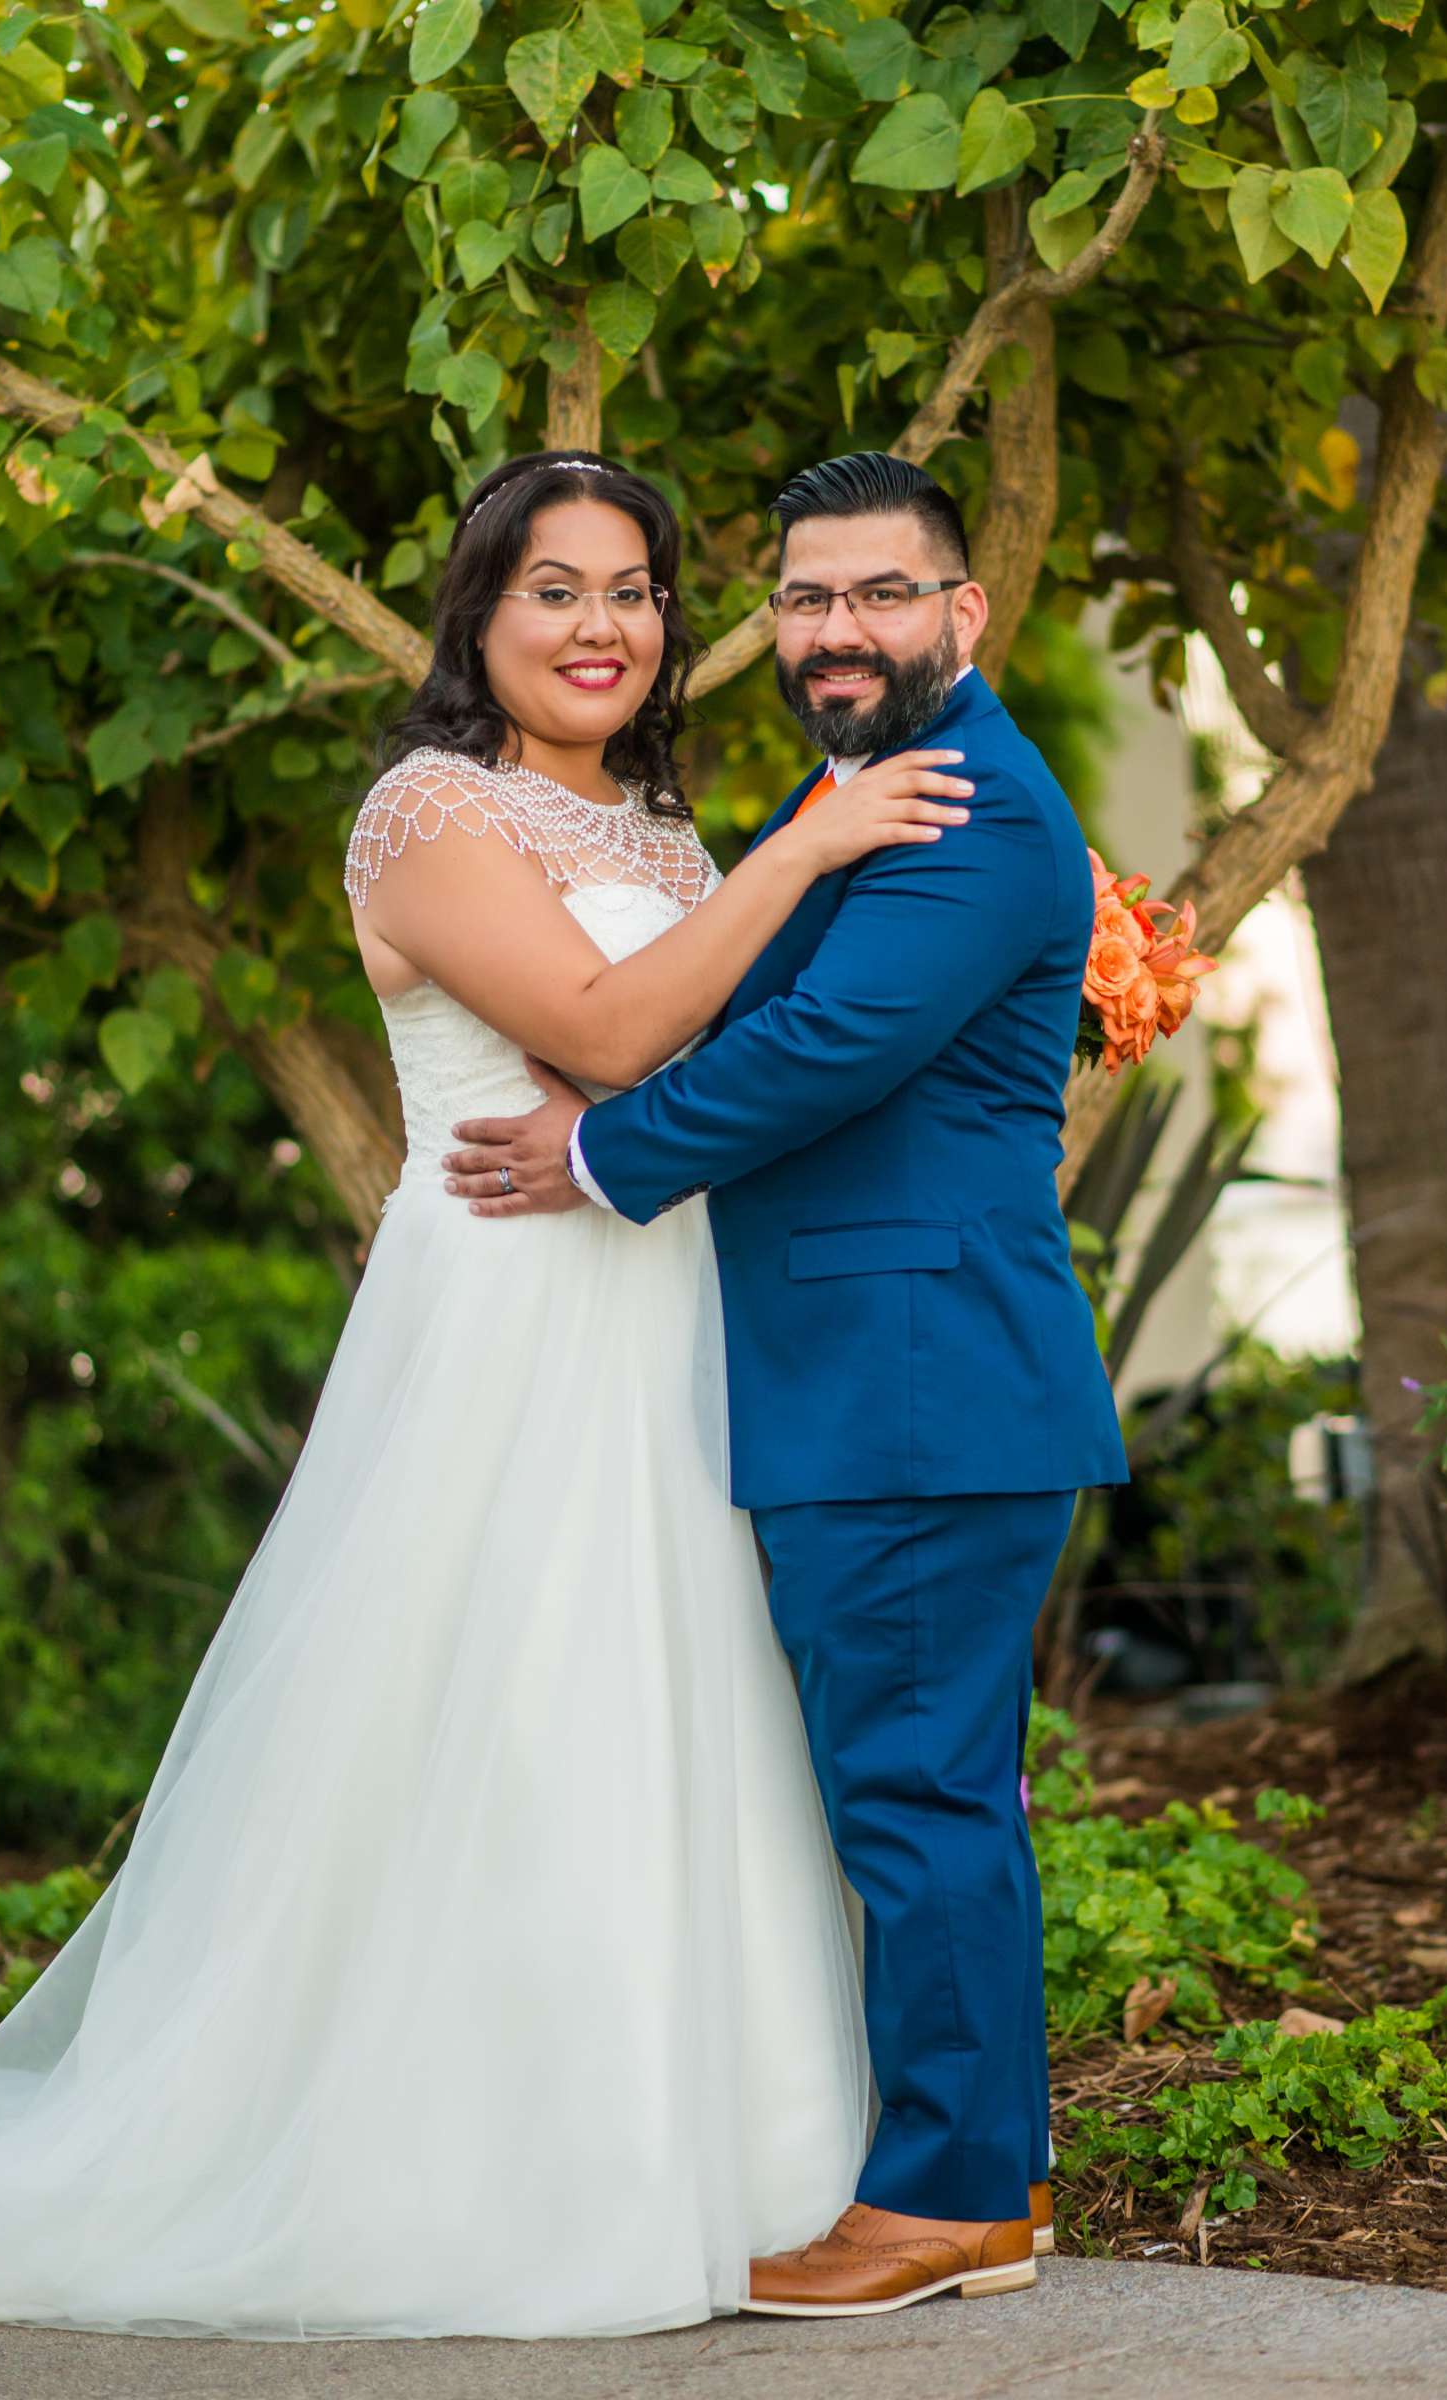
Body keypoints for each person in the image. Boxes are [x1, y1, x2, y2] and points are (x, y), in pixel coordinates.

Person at [0, 452, 977, 2342]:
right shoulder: (428, 813)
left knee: (692, 1710)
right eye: (555, 589)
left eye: (636, 589)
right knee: (516, 1710)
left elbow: (758, 1062)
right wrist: (815, 843)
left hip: (670, 1317)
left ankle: (735, 2164)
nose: (601, 627)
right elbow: (613, 1030)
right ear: (482, 613)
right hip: (506, 1323)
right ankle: (483, 2169)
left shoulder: (662, 835)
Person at [440, 451, 1130, 2318]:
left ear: (961, 614)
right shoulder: (859, 790)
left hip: (916, 1378)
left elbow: (829, 1043)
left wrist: (598, 1155)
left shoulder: (970, 809)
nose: (839, 632)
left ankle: (960, 2197)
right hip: (876, 1372)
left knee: (917, 1794)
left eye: (881, 595)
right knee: (910, 1786)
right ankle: (969, 2172)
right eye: (808, 600)